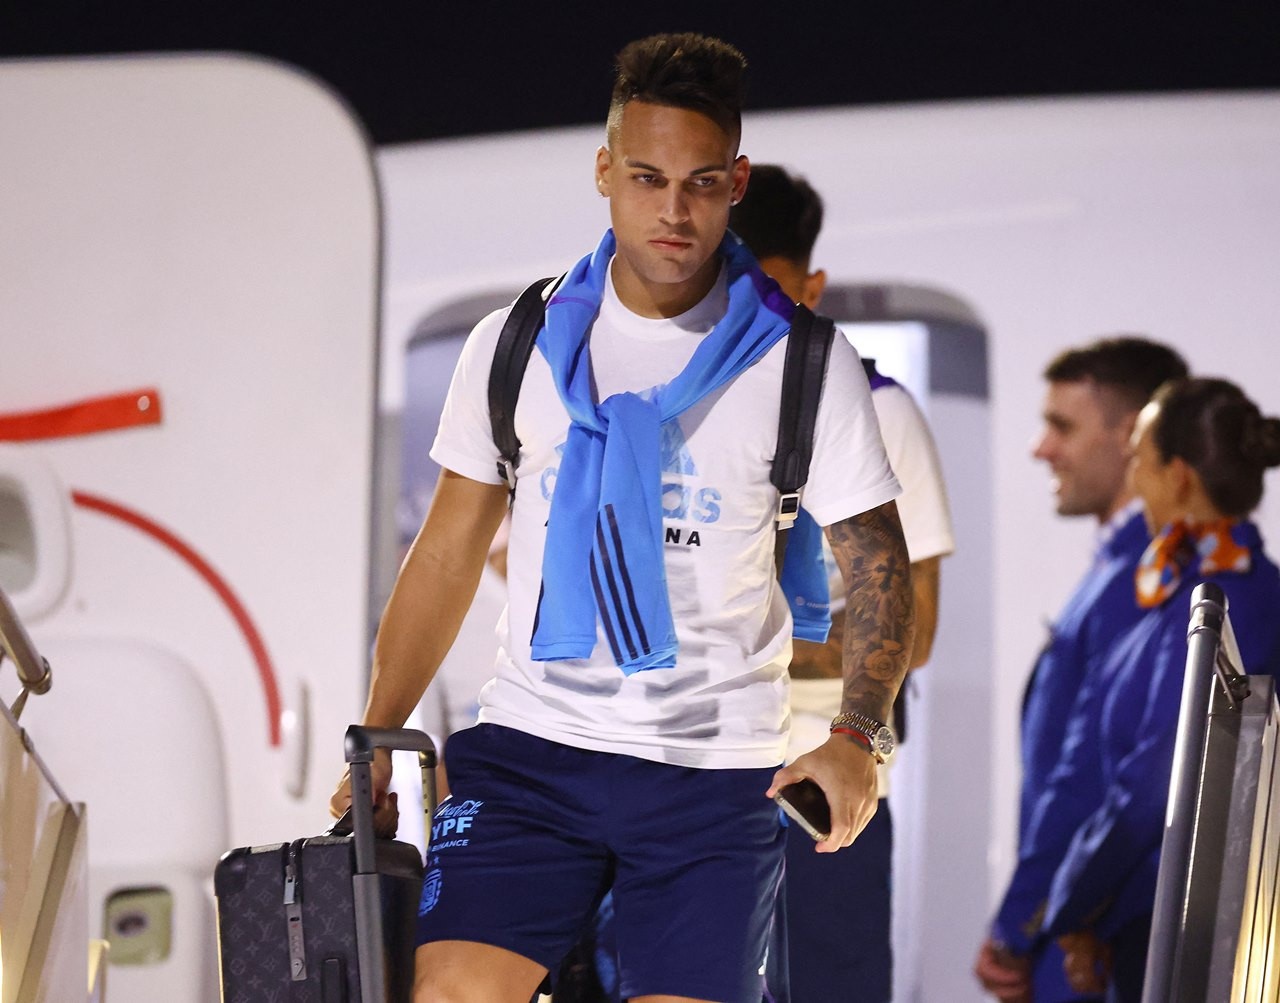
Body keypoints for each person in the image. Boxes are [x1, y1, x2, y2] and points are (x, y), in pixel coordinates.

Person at [330, 33, 914, 1003]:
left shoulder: (804, 364)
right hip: (531, 754)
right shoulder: (517, 340)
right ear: (604, 172)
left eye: (700, 184)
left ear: (735, 182)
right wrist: (378, 733)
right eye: (647, 179)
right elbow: (444, 556)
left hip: (713, 773)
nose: (673, 211)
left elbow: (881, 568)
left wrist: (858, 736)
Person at [729, 164, 955, 1002]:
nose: (758, 313)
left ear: (813, 288)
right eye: (737, 288)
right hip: (696, 766)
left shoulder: (880, 408)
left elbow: (915, 629)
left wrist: (738, 647)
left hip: (825, 773)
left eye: (776, 290)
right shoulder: (684, 409)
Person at [990, 377, 1280, 1002]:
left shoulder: (1219, 605)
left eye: (1139, 462)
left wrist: (1075, 909)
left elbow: (1154, 786)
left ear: (1178, 477)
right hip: (1149, 918)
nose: (1134, 480)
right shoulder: (1193, 592)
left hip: (1175, 931)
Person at [974, 337, 1189, 1003]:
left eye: (1061, 426)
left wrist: (1019, 924)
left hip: (1088, 931)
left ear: (1130, 436)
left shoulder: (1144, 579)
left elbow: (1090, 775)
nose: (1041, 448)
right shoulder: (1119, 568)